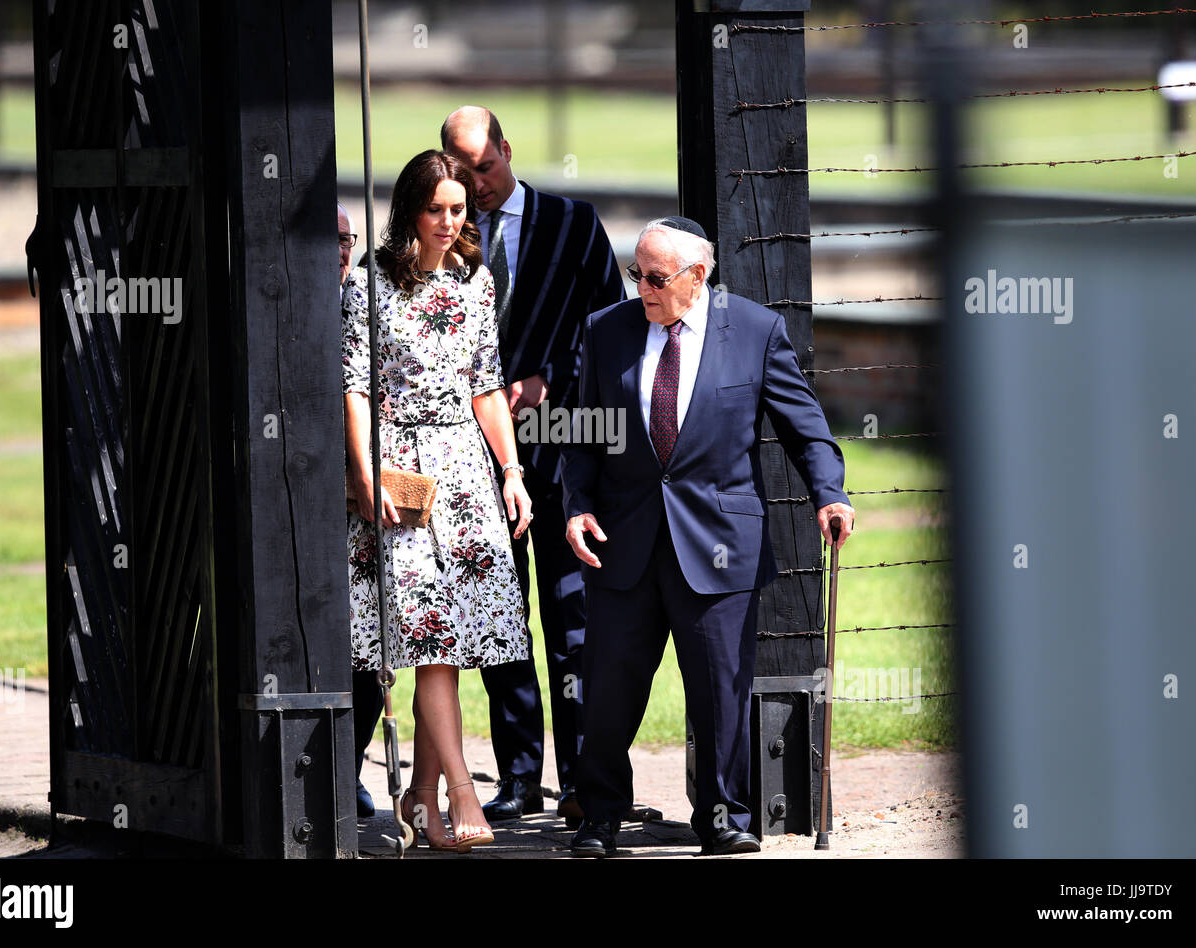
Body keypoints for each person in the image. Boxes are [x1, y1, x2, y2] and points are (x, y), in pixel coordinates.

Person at [560, 217, 856, 858]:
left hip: (720, 543)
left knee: (721, 689)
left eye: (656, 277)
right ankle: (600, 815)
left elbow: (805, 428)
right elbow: (582, 435)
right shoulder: (606, 331)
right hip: (623, 544)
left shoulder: (754, 331)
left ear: (698, 276)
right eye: (635, 272)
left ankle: (723, 815)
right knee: (609, 689)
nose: (642, 287)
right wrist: (577, 505)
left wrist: (829, 493)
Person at [343, 149, 533, 852]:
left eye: (459, 208)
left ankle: (419, 798)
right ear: (411, 211)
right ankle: (459, 792)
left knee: (449, 646)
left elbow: (488, 385)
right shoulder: (369, 285)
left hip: (466, 471)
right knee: (427, 635)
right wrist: (364, 476)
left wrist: (511, 469)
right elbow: (354, 387)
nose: (450, 221)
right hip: (401, 475)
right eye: (437, 209)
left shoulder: (477, 283)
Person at [441, 106, 626, 825]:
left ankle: (585, 778)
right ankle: (519, 778)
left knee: (575, 621)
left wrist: (554, 375)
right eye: (462, 172)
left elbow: (611, 328)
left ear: (508, 151)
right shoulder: (442, 232)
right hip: (476, 457)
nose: (478, 185)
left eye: (486, 168)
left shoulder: (573, 222)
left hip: (563, 452)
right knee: (499, 624)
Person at [338, 202, 384, 821]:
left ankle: (348, 766)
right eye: (329, 238)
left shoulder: (369, 303)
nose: (340, 250)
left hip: (366, 507)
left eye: (348, 239)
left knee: (371, 659)